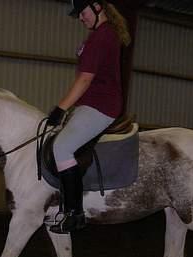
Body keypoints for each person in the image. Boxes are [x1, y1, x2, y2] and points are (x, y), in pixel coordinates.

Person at [47, 0, 131, 234]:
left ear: (97, 7)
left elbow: (85, 79)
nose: (81, 18)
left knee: (62, 148)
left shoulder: (102, 36)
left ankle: (75, 214)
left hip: (101, 105)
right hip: (91, 104)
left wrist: (60, 108)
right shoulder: (102, 35)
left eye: (82, 13)